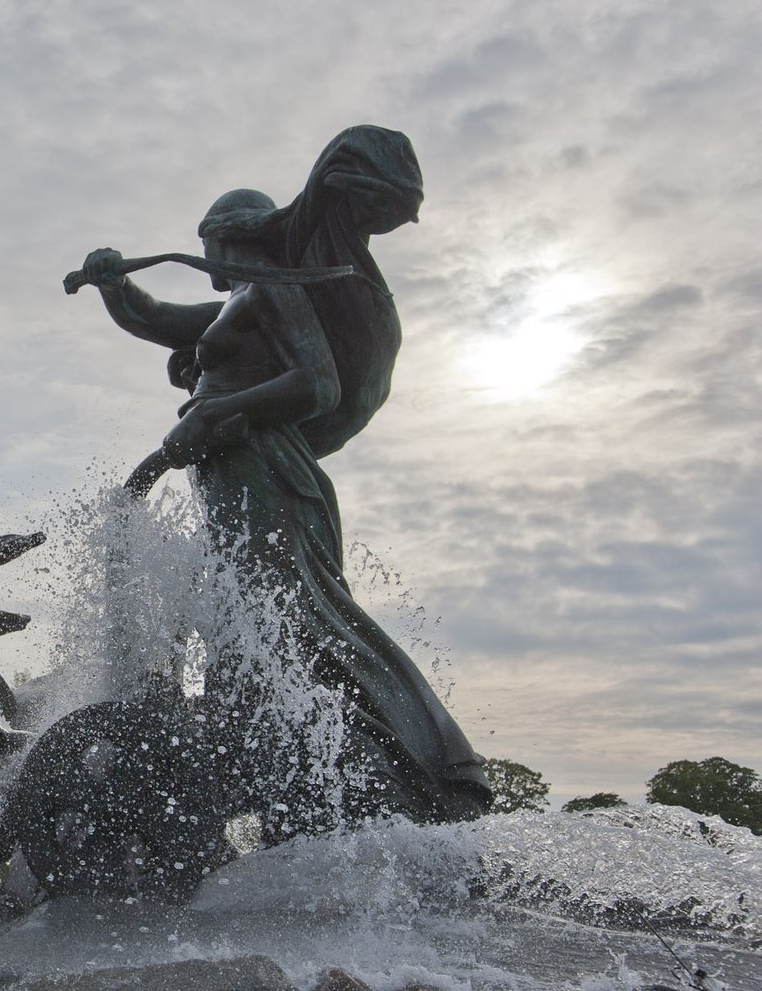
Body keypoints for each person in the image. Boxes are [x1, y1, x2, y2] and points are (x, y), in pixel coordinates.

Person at [72, 126, 492, 826]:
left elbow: (317, 387)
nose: (203, 257)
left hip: (264, 471)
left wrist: (214, 417)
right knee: (252, 623)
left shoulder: (274, 293)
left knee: (291, 615)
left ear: (225, 237)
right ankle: (283, 771)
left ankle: (429, 767)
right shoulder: (242, 301)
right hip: (237, 470)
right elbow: (161, 319)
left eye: (207, 243)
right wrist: (115, 285)